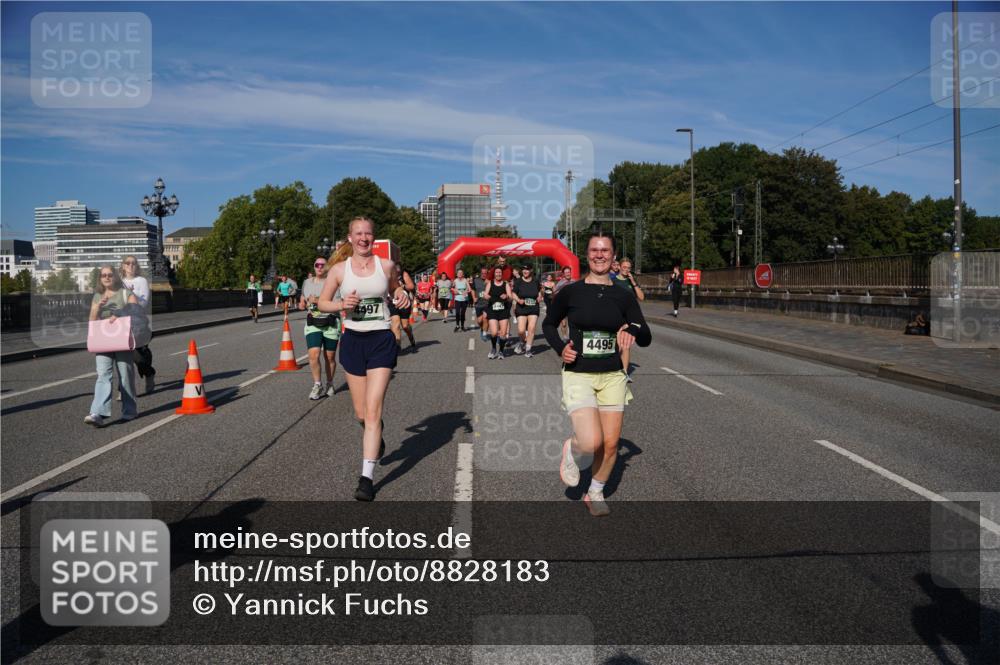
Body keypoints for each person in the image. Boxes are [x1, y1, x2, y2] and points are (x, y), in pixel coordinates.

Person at [542, 233, 651, 516]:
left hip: (613, 375)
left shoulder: (623, 295)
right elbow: (549, 324)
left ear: (614, 256)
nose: (599, 255)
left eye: (605, 251)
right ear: (586, 255)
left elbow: (645, 333)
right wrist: (559, 348)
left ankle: (596, 490)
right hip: (579, 373)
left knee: (611, 443)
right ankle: (572, 446)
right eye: (594, 250)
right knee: (591, 442)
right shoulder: (571, 292)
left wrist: (631, 330)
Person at [318, 217, 410, 502]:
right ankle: (376, 438)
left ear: (373, 237)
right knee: (361, 414)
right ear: (350, 238)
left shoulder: (385, 265)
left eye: (368, 233)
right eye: (358, 234)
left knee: (373, 412)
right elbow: (322, 303)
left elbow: (395, 288)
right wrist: (340, 305)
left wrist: (401, 294)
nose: (363, 238)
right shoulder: (338, 271)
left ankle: (366, 478)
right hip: (353, 341)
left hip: (381, 340)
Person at [85, 266, 140, 427]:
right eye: (103, 275)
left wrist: (120, 314)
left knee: (126, 375)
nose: (107, 277)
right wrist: (96, 308)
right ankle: (97, 413)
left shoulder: (126, 294)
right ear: (100, 279)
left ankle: (129, 411)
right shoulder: (97, 296)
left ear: (115, 277)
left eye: (110, 275)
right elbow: (92, 322)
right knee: (103, 375)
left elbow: (136, 310)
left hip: (122, 338)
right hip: (103, 339)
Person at [300, 257, 340, 400]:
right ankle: (317, 384)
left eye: (323, 265)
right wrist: (302, 303)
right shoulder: (306, 283)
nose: (319, 267)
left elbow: (338, 303)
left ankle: (329, 383)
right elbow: (303, 300)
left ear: (327, 267)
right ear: (314, 267)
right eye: (317, 264)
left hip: (330, 323)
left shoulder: (334, 283)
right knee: (314, 354)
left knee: (329, 357)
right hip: (313, 324)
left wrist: (318, 301)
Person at [119, 256, 155, 395]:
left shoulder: (141, 281)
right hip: (122, 324)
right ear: (123, 266)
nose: (130, 265)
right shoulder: (119, 282)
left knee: (139, 356)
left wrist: (129, 297)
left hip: (139, 323)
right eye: (127, 263)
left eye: (133, 263)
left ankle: (149, 373)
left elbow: (144, 303)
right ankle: (123, 389)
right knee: (123, 357)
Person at [613, 259, 645, 382]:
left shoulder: (631, 281)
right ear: (619, 267)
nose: (626, 270)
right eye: (624, 267)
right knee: (616, 344)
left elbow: (641, 297)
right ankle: (614, 369)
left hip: (628, 318)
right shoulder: (613, 281)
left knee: (625, 344)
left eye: (629, 267)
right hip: (615, 316)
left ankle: (624, 373)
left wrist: (633, 282)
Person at [483, 266, 513, 359]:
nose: (498, 274)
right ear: (494, 274)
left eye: (500, 272)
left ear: (502, 274)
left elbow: (511, 297)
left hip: (503, 310)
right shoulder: (490, 283)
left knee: (503, 333)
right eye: (496, 272)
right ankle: (493, 348)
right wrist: (486, 296)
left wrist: (507, 296)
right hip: (492, 310)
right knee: (494, 332)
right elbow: (485, 294)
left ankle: (501, 351)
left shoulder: (505, 284)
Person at [512, 265, 541, 357]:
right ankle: (522, 343)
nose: (525, 271)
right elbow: (513, 293)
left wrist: (540, 297)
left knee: (531, 329)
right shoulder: (519, 281)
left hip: (533, 307)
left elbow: (540, 291)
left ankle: (528, 350)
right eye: (524, 269)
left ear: (531, 270)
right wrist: (518, 300)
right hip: (522, 307)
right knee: (521, 331)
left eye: (527, 269)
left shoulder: (535, 281)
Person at [389, 264, 417, 349]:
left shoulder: (403, 274)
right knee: (396, 324)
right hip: (393, 302)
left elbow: (411, 286)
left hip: (404, 303)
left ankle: (411, 336)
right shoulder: (388, 274)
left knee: (405, 326)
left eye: (397, 268)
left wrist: (403, 286)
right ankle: (397, 345)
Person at [472, 266, 490, 342]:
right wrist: (473, 298)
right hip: (478, 303)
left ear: (487, 273)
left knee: (485, 318)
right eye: (482, 273)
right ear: (480, 273)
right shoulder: (476, 280)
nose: (483, 275)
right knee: (479, 321)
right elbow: (473, 290)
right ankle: (482, 329)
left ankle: (485, 333)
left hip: (487, 303)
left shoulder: (490, 281)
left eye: (485, 273)